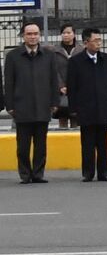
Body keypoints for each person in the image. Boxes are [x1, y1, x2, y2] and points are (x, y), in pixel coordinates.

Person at [4, 21, 62, 183]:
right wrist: (10, 105)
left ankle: (38, 174)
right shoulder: (13, 56)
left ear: (39, 36)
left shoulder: (48, 55)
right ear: (23, 36)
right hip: (21, 107)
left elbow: (53, 80)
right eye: (29, 34)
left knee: (41, 145)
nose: (33, 37)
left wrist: (54, 102)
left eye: (35, 34)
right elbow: (8, 82)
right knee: (22, 146)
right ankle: (25, 174)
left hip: (43, 106)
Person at [67, 26, 107, 182]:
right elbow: (72, 86)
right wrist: (73, 108)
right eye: (95, 40)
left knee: (103, 142)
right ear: (86, 42)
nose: (99, 43)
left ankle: (103, 172)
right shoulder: (76, 62)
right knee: (87, 143)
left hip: (103, 106)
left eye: (100, 40)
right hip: (85, 107)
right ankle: (88, 172)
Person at [51, 24, 79, 129]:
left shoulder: (80, 50)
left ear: (74, 34)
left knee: (76, 119)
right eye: (63, 33)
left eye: (68, 33)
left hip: (77, 90)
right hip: (60, 90)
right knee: (62, 118)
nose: (66, 35)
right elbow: (53, 70)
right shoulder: (54, 51)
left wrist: (73, 86)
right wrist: (61, 86)